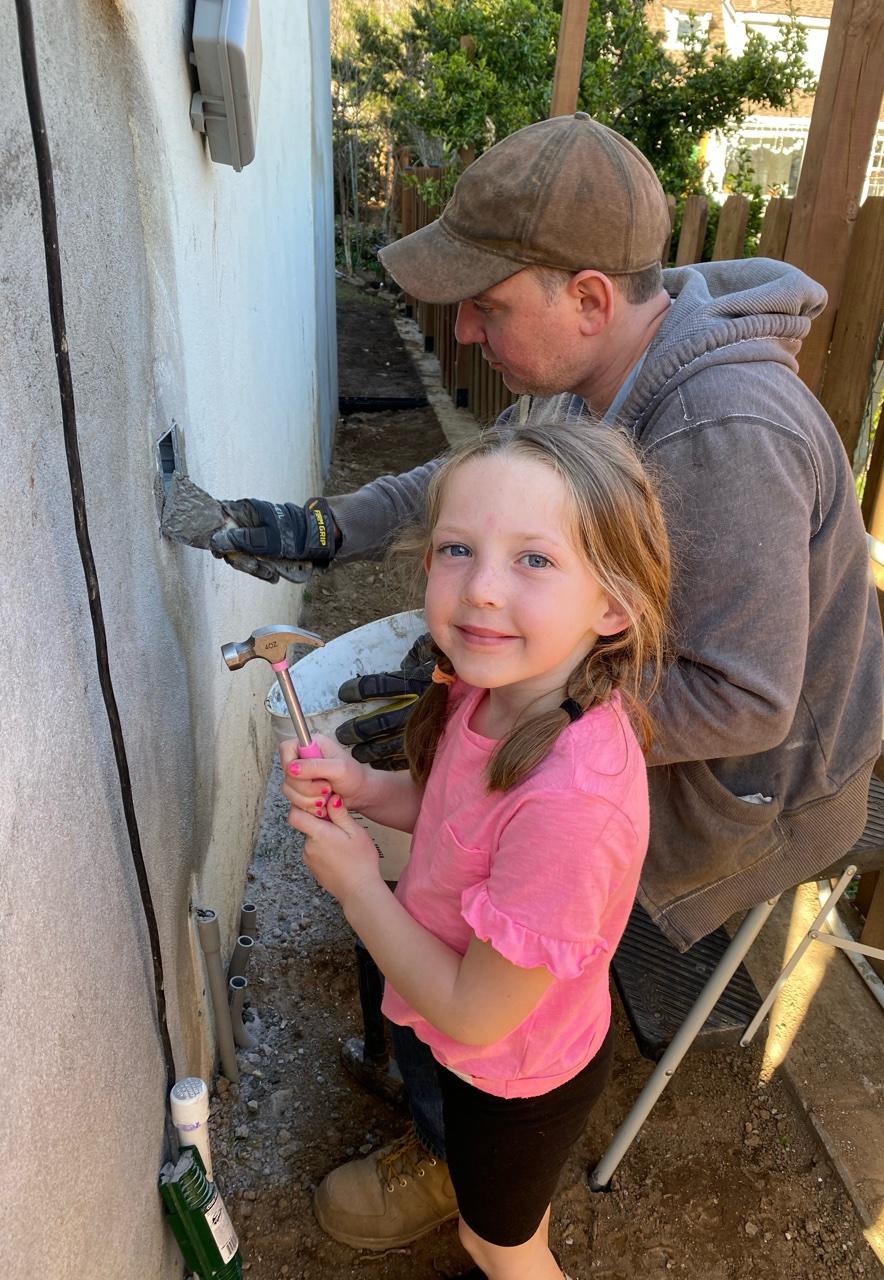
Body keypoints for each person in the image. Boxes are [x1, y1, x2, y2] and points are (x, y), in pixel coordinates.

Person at [205, 113, 884, 1248]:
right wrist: (321, 527)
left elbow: (749, 701)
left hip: (759, 789)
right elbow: (462, 482)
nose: (463, 325)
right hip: (613, 715)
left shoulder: (725, 425)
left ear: (584, 296)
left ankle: (468, 1135)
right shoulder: (600, 378)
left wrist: (520, 715)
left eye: (488, 301)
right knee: (422, 789)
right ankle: (444, 1052)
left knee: (426, 853)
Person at [280, 420, 671, 1279]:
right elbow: (456, 812)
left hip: (516, 1075)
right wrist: (367, 786)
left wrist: (357, 888)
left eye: (534, 559)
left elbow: (474, 1012)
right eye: (458, 548)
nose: (482, 590)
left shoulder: (574, 801)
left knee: (497, 1245)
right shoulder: (494, 692)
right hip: (460, 1028)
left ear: (612, 604)